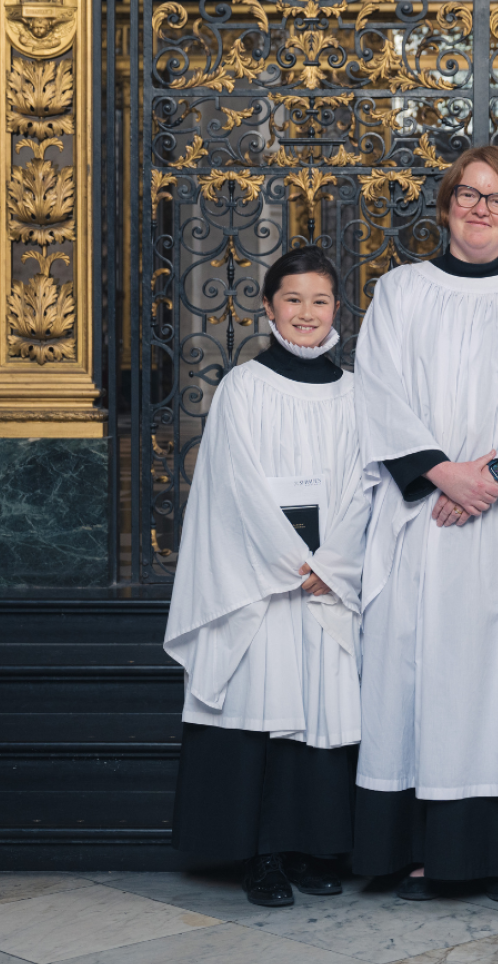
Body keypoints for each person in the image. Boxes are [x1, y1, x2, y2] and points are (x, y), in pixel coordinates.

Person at [351, 145, 498, 903]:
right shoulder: (400, 290)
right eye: (468, 195)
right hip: (427, 522)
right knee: (431, 683)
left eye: (497, 199)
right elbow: (380, 392)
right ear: (447, 203)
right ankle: (430, 854)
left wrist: (494, 476)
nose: (480, 209)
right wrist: (439, 472)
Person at [164, 247, 370, 908]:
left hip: (328, 581)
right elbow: (234, 487)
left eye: (319, 301)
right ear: (268, 306)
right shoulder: (244, 389)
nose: (306, 314)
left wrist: (333, 564)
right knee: (266, 713)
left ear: (337, 308)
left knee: (320, 718)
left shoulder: (356, 394)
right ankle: (261, 856)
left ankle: (315, 848)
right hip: (262, 583)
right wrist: (292, 564)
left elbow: (368, 488)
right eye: (293, 300)